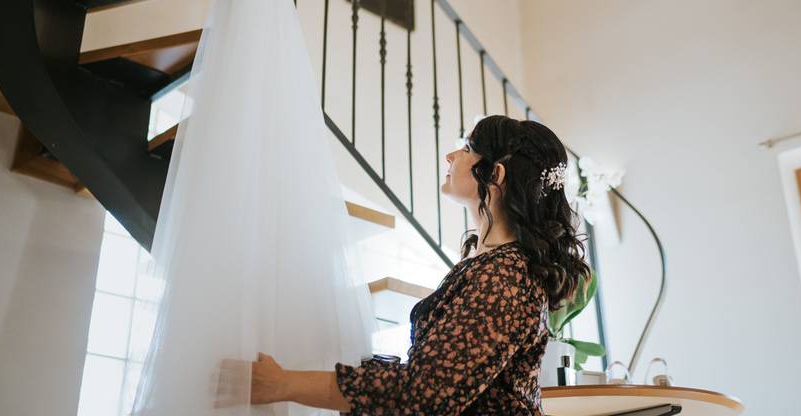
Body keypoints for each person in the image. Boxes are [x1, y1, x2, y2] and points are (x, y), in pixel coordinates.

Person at [235, 114, 592, 415]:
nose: (451, 155)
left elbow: (425, 395)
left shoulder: (504, 278)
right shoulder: (487, 265)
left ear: (495, 176)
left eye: (467, 149)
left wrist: (283, 383)